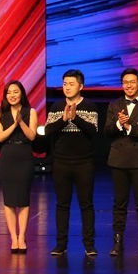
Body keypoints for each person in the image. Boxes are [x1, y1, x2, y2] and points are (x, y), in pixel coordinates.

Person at [44, 69, 99, 257]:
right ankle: (61, 244)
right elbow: (48, 130)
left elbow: (93, 131)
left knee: (86, 204)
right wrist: (64, 119)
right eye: (64, 84)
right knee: (62, 204)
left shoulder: (90, 106)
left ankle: (89, 245)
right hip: (61, 162)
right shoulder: (56, 106)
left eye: (71, 84)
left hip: (84, 163)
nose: (67, 87)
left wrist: (76, 118)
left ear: (81, 86)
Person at [104, 67, 138, 257]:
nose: (128, 85)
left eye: (132, 82)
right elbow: (107, 131)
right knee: (119, 203)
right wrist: (119, 124)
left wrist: (129, 126)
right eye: (125, 82)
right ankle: (117, 242)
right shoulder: (114, 104)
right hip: (119, 160)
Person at [0, 80, 38, 253]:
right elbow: (0, 138)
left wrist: (21, 122)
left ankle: (22, 237)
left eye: (15, 92)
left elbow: (32, 136)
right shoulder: (1, 114)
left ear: (22, 94)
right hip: (7, 157)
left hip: (24, 155)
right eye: (9, 92)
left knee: (23, 200)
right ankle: (13, 238)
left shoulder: (30, 112)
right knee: (9, 200)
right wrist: (14, 124)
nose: (12, 95)